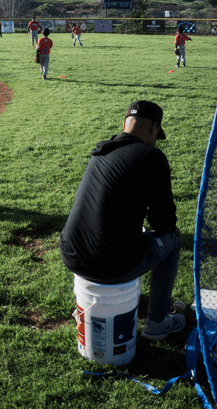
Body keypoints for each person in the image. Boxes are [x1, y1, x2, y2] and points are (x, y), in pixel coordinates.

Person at [60, 100, 185, 341]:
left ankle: (102, 303)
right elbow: (164, 221)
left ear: (125, 124)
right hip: (108, 264)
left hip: (72, 254)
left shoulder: (102, 151)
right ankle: (158, 322)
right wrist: (171, 232)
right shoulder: (152, 156)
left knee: (135, 237)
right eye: (157, 135)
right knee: (171, 242)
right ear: (154, 128)